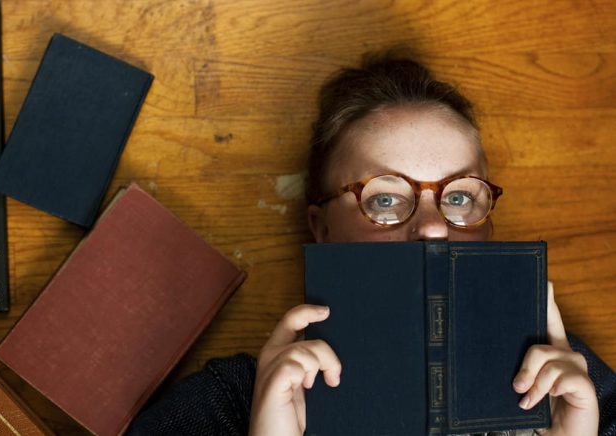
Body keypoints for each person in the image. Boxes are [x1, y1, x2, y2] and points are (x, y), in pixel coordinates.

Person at [128, 51, 616, 436]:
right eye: (385, 199)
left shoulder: (566, 381)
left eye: (461, 195)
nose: (433, 228)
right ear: (321, 228)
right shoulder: (234, 400)